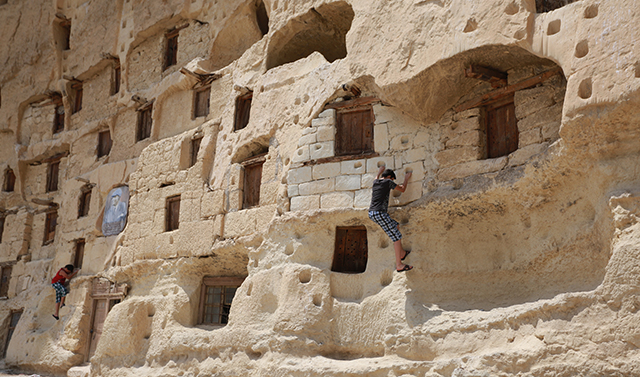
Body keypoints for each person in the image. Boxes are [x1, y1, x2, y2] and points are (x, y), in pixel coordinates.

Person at [368, 166, 413, 272]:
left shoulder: (376, 182)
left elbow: (376, 177)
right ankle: (399, 265)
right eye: (392, 179)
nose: (392, 181)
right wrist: (406, 178)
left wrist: (379, 171)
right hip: (379, 213)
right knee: (397, 237)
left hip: (373, 212)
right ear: (389, 177)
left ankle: (402, 253)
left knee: (395, 225)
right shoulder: (388, 182)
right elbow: (402, 189)